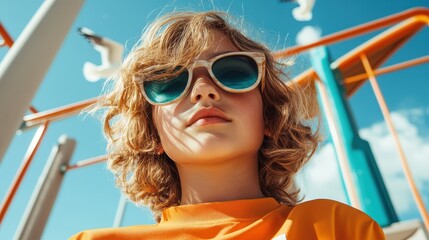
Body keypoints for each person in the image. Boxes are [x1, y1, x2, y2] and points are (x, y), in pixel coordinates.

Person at [70, 11, 385, 240]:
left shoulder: (334, 228)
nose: (203, 90)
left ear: (270, 118)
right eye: (169, 82)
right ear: (152, 134)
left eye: (233, 72)